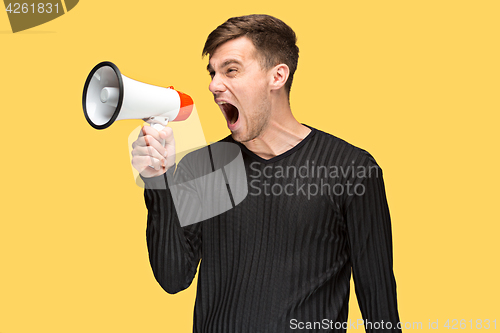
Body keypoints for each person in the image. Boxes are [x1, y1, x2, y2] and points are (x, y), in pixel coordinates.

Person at [131, 14, 401, 333]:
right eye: (213, 73)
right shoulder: (203, 167)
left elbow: (379, 307)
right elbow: (173, 278)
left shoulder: (352, 170)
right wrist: (158, 181)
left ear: (277, 76)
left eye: (231, 70)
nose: (214, 86)